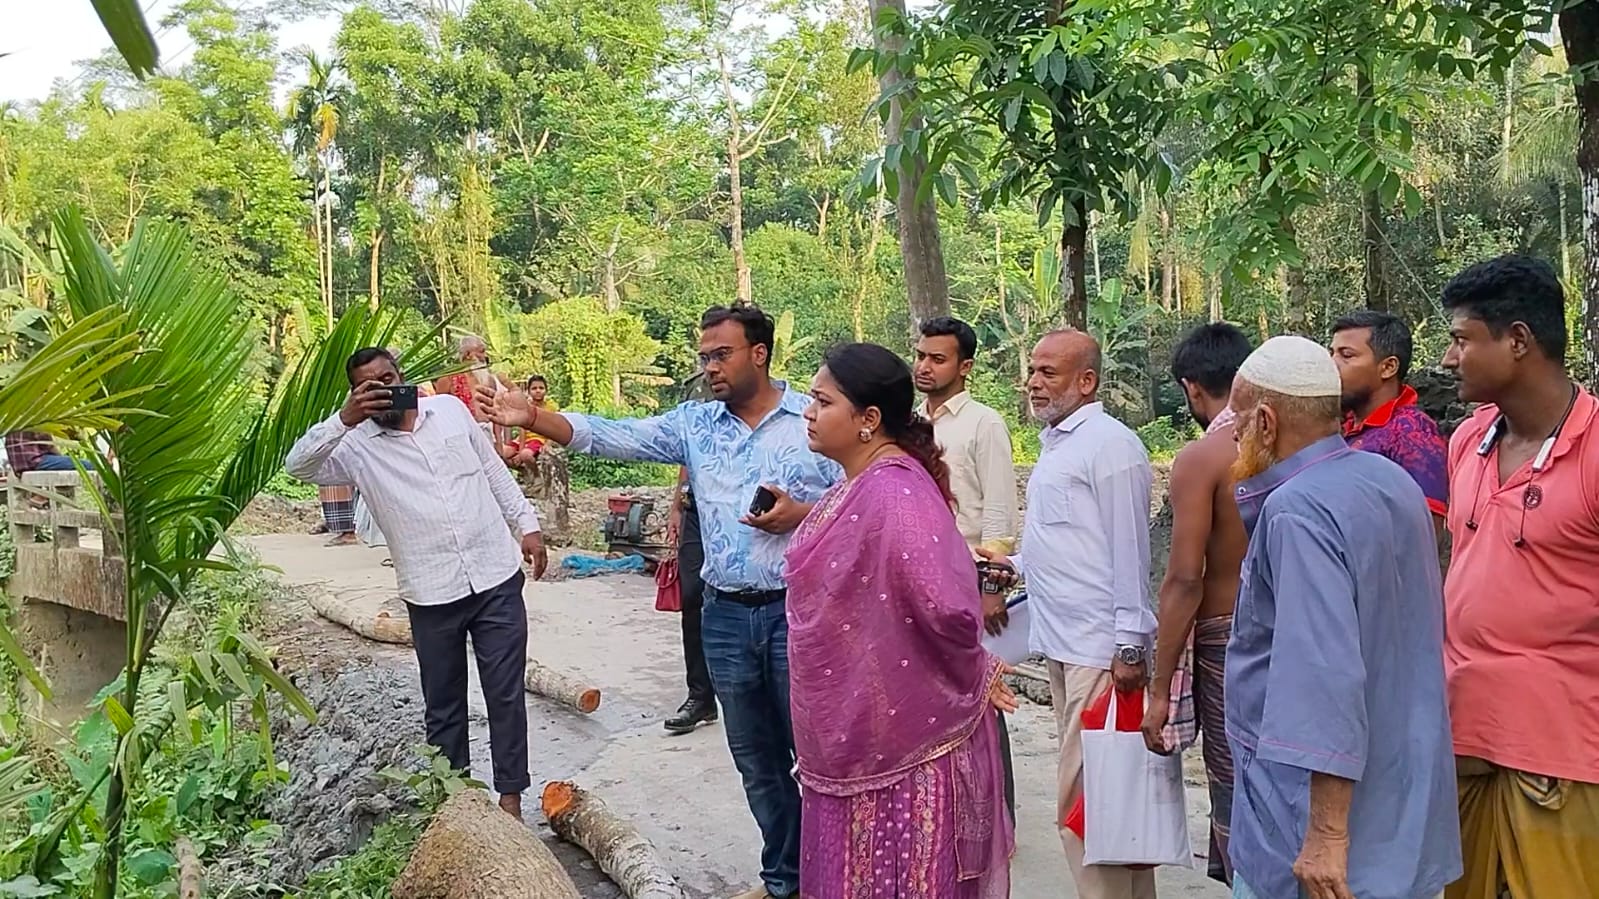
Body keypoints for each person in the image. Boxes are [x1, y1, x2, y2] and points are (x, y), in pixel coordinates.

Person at [482, 304, 838, 899]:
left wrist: (803, 517)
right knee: (757, 761)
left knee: (820, 759)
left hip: (799, 613)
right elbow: (617, 434)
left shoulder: (814, 419)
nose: (709, 367)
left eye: (720, 354)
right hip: (724, 616)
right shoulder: (696, 424)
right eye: (704, 357)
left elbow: (863, 502)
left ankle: (834, 876)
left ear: (760, 353)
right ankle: (788, 880)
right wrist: (535, 417)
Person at [1225, 335, 1459, 899]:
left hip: (1323, 830)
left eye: (1236, 420)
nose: (1231, 436)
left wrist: (1327, 835)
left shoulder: (1297, 509)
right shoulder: (1391, 480)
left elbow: (1321, 675)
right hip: (1402, 812)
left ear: (1266, 421)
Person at [786, 342, 1015, 898]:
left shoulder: (895, 491)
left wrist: (978, 669)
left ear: (868, 420)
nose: (809, 413)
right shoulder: (861, 485)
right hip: (858, 730)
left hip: (907, 746)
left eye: (822, 401)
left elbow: (944, 603)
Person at [286, 347, 548, 820]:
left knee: (505, 693)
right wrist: (344, 419)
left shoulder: (448, 412)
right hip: (432, 593)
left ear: (402, 376)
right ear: (357, 393)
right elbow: (298, 466)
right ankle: (457, 807)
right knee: (444, 705)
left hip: (494, 575)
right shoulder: (354, 445)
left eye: (388, 377)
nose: (385, 388)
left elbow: (491, 470)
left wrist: (526, 524)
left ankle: (510, 801)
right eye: (371, 385)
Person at [1437, 255, 1599, 899]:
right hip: (1461, 733)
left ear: (1519, 340)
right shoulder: (1468, 441)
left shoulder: (1592, 451)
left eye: (1461, 339)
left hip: (1563, 749)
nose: (1449, 358)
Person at [977, 328, 1156, 899]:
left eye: (1048, 372)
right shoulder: (1061, 444)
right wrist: (1016, 565)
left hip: (1100, 653)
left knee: (1086, 805)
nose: (1033, 382)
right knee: (1110, 800)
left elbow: (1130, 551)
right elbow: (1074, 545)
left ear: (1087, 381)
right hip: (1062, 644)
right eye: (1032, 370)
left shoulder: (1110, 445)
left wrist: (1129, 645)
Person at [1140, 322, 1252, 887]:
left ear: (1191, 388)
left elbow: (1185, 580)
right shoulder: (1301, 448)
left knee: (1235, 781)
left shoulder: (1204, 458)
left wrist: (1159, 689)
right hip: (1303, 635)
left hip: (1226, 641)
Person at [911, 315, 1020, 815]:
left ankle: (1000, 812)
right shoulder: (912, 424)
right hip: (921, 576)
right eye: (920, 356)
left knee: (981, 691)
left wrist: (991, 585)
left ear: (965, 366)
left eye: (937, 358)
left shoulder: (983, 423)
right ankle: (952, 804)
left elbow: (999, 510)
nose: (925, 367)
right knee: (935, 692)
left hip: (970, 575)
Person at [1330, 310, 1449, 531]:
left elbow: (1426, 531)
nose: (1331, 364)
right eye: (1332, 353)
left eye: (1346, 355)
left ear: (1388, 367)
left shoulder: (1412, 433)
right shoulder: (1339, 427)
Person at [664, 370, 718, 736]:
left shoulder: (761, 396)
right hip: (697, 509)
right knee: (693, 598)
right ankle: (700, 697)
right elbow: (689, 449)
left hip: (740, 509)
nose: (713, 362)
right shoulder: (695, 387)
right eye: (708, 353)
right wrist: (677, 505)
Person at [4, 431, 79, 474]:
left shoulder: (13, 418)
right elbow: (47, 444)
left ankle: (41, 497)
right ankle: (44, 496)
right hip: (35, 462)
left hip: (18, 467)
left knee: (63, 464)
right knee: (86, 465)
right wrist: (60, 457)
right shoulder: (36, 414)